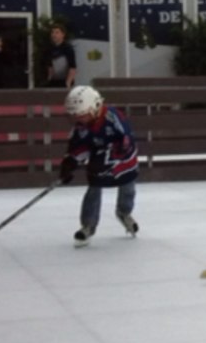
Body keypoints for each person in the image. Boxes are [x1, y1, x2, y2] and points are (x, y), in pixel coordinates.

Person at [58, 86, 139, 247]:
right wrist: (70, 162)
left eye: (82, 114)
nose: (79, 119)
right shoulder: (81, 126)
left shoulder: (113, 117)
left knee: (128, 187)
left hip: (123, 160)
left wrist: (108, 159)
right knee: (94, 188)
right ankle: (88, 225)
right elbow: (79, 146)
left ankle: (124, 213)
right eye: (75, 115)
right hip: (98, 158)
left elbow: (125, 142)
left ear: (94, 107)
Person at [46, 23, 77, 89]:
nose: (54, 35)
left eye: (57, 32)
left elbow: (73, 67)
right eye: (52, 32)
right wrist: (49, 79)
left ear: (63, 34)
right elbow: (50, 66)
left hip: (65, 81)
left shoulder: (68, 48)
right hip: (54, 81)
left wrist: (68, 82)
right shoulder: (50, 49)